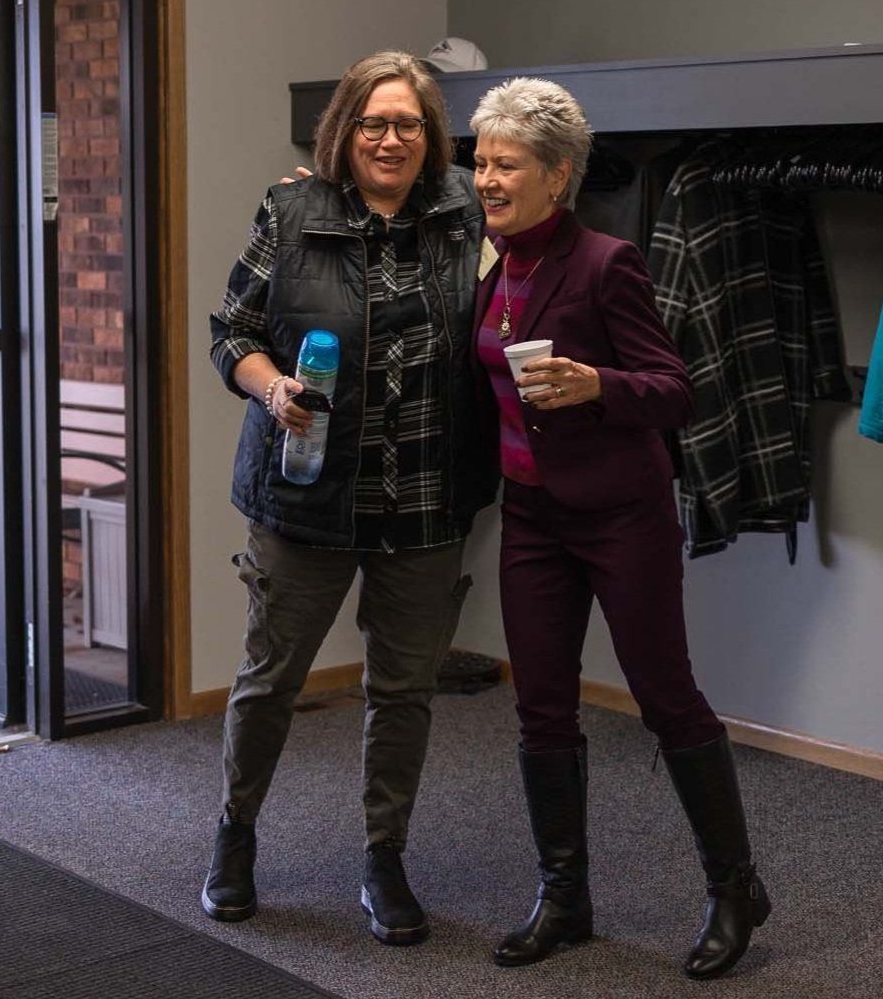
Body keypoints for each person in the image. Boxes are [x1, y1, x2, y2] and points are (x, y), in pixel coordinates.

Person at [468, 77, 771, 980]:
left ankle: (733, 887)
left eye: (505, 164)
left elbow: (675, 390)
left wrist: (597, 383)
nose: (484, 179)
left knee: (663, 697)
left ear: (556, 176)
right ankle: (564, 898)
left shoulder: (606, 262)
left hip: (618, 515)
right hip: (530, 515)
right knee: (540, 706)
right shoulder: (482, 259)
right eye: (479, 161)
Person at [204, 51, 495, 946]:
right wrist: (271, 388)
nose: (391, 139)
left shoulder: (465, 211)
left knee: (403, 690)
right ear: (344, 130)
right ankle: (235, 834)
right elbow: (233, 332)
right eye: (374, 122)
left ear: (432, 136)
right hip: (306, 493)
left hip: (424, 495)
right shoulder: (291, 208)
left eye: (409, 124)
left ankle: (384, 856)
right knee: (270, 679)